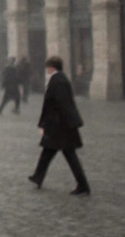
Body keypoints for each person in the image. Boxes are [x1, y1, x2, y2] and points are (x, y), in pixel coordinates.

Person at [28, 56, 90, 195]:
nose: (47, 69)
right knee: (48, 152)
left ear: (52, 67)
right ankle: (38, 176)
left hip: (60, 126)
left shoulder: (58, 81)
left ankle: (83, 184)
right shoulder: (59, 79)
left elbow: (59, 105)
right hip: (60, 125)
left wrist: (46, 124)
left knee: (68, 155)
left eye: (48, 67)